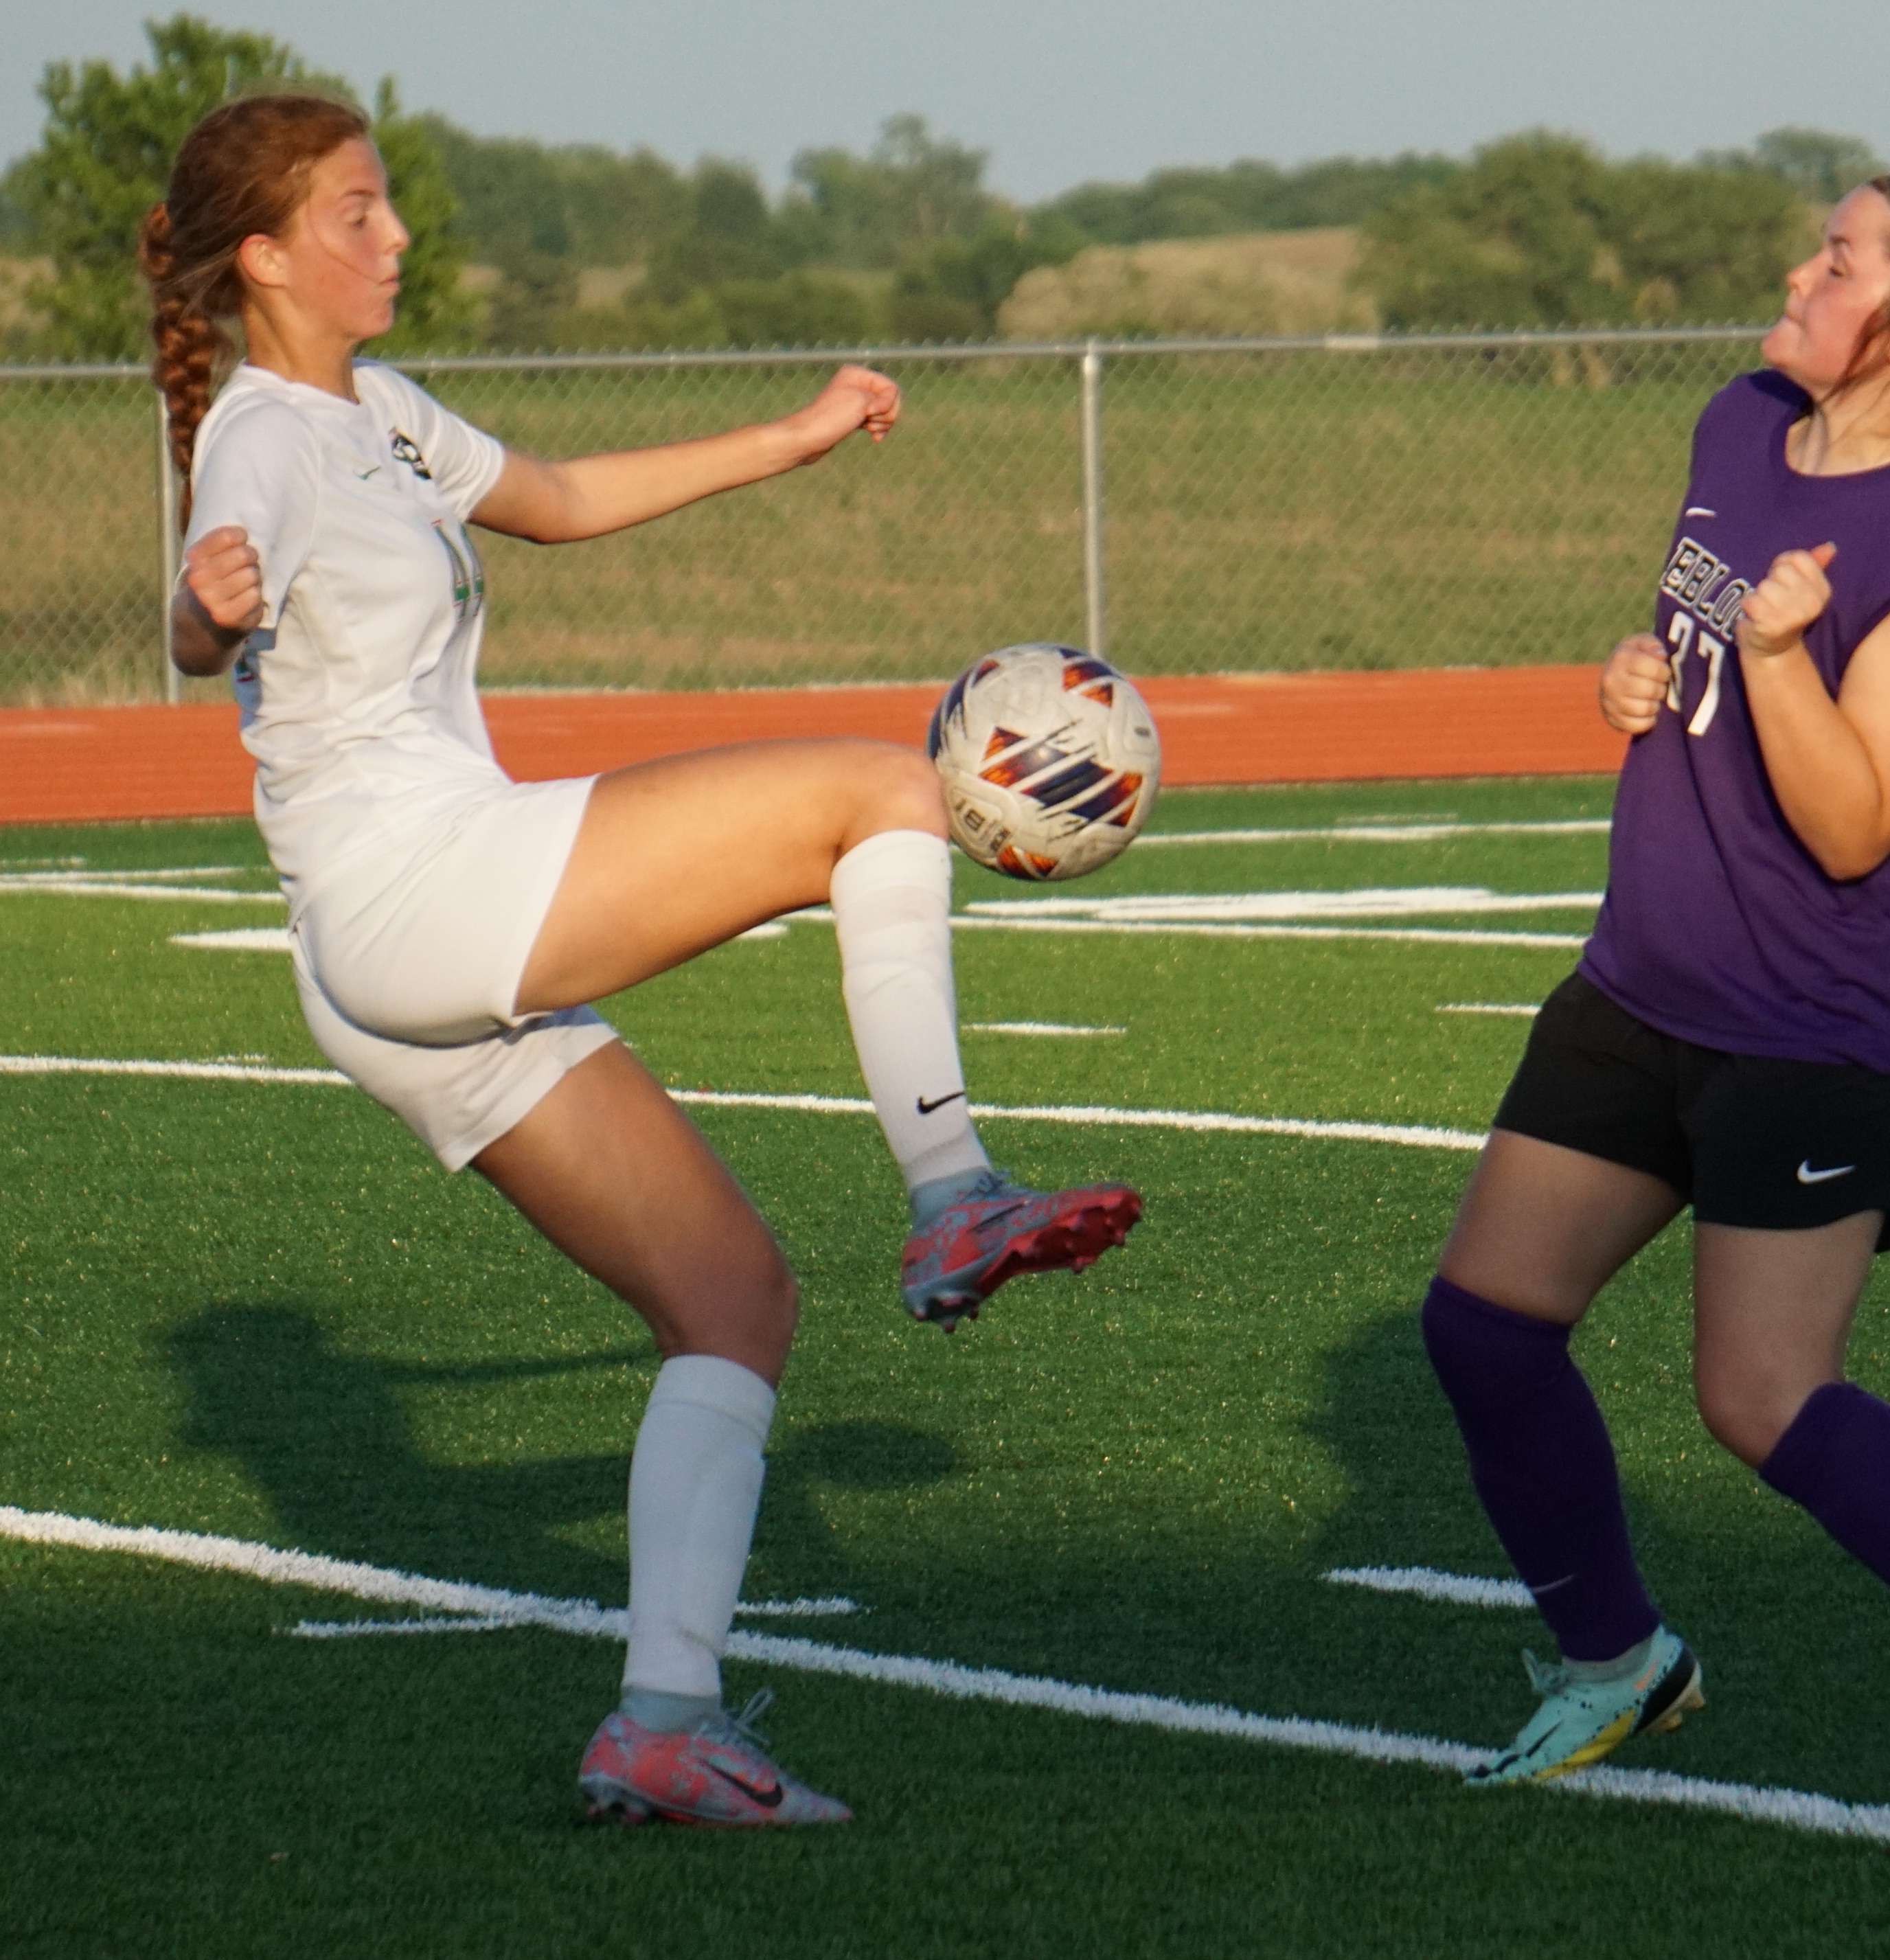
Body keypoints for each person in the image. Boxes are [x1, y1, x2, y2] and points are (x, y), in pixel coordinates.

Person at [141, 93, 1141, 1829]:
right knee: (880, 787)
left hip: (396, 934)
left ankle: (663, 1722)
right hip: (417, 885)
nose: (393, 239)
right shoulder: (262, 439)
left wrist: (797, 433)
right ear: (265, 253)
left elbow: (571, 495)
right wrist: (202, 610)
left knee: (735, 1306)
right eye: (358, 214)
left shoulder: (373, 409)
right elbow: (193, 611)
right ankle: (955, 1184)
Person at [1421, 170, 1890, 1810]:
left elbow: (1850, 823)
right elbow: (1684, 628)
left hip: (1813, 1034)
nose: (1796, 267)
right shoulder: (1742, 418)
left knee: (1761, 1400)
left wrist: (1767, 662)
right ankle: (1620, 1662)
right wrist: (1644, 663)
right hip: (1644, 985)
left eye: (1835, 257)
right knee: (1483, 1326)